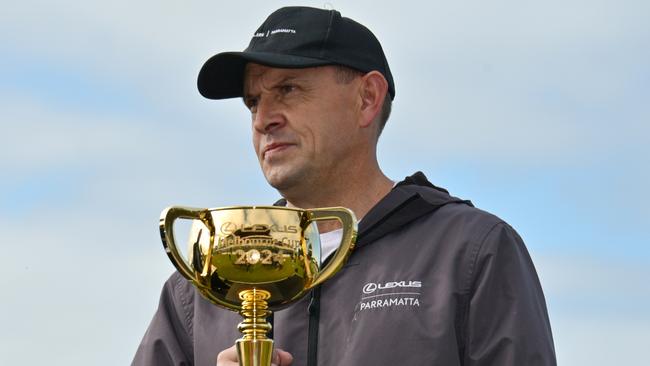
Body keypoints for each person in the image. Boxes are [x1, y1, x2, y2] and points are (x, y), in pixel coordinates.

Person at [133, 6, 556, 366]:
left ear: (367, 98)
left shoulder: (469, 252)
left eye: (288, 89)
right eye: (253, 102)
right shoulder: (200, 288)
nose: (264, 119)